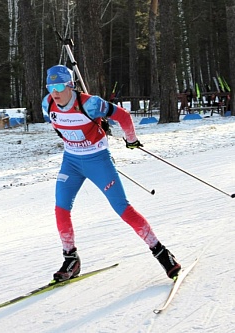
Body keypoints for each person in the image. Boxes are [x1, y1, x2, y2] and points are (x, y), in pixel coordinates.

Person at [42, 65, 181, 282]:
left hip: (97, 161)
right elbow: (63, 128)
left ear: (70, 85)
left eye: (59, 86)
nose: (55, 92)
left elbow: (123, 116)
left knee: (122, 208)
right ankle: (71, 259)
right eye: (50, 87)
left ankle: (162, 253)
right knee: (61, 208)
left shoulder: (91, 103)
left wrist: (131, 139)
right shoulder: (47, 103)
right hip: (71, 162)